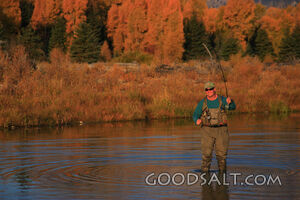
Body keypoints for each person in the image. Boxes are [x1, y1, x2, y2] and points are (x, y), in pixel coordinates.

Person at [193, 81, 236, 174]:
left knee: (221, 156)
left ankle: (222, 178)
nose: (209, 91)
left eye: (211, 89)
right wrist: (196, 120)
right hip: (207, 131)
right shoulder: (202, 103)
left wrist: (230, 102)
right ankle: (205, 177)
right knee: (206, 155)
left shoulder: (223, 100)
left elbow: (233, 107)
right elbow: (195, 114)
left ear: (214, 89)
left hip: (222, 131)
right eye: (207, 90)